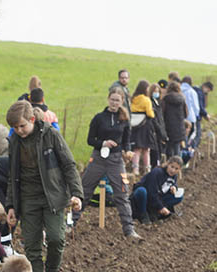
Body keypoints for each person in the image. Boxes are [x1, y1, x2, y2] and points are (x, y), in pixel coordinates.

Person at [4, 100, 83, 272]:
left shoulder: (51, 135)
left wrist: (76, 193)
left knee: (56, 238)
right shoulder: (14, 141)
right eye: (14, 127)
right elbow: (12, 175)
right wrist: (10, 205)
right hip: (27, 198)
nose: (19, 130)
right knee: (32, 246)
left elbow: (68, 165)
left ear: (32, 119)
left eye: (22, 126)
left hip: (52, 197)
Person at [71, 90, 139, 240]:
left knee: (122, 194)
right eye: (112, 100)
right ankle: (70, 225)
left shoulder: (124, 120)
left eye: (118, 100)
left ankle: (129, 230)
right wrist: (103, 143)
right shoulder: (99, 118)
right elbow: (90, 140)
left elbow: (126, 140)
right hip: (98, 158)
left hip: (116, 161)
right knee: (85, 191)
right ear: (108, 99)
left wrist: (127, 151)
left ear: (122, 101)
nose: (114, 103)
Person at [131, 156, 184, 223]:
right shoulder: (157, 172)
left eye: (176, 169)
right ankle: (142, 213)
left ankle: (154, 212)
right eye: (172, 167)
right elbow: (151, 192)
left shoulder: (174, 175)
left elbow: (173, 183)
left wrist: (174, 187)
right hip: (145, 196)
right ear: (168, 164)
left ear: (179, 170)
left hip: (157, 197)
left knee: (179, 196)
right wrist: (160, 207)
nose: (173, 170)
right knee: (142, 191)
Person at [128, 79, 157, 177]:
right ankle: (147, 169)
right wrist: (153, 113)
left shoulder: (133, 98)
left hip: (135, 125)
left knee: (136, 149)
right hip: (145, 126)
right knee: (146, 149)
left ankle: (135, 169)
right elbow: (150, 113)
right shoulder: (146, 99)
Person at [161, 81, 188, 158]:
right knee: (177, 148)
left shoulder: (165, 99)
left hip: (168, 128)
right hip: (179, 128)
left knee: (169, 148)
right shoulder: (182, 99)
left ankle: (169, 165)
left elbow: (162, 114)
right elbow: (186, 114)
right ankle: (178, 166)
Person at [180, 75, 201, 149]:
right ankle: (186, 151)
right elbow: (196, 106)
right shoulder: (192, 92)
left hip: (180, 118)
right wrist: (197, 115)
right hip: (190, 117)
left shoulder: (178, 90)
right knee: (189, 135)